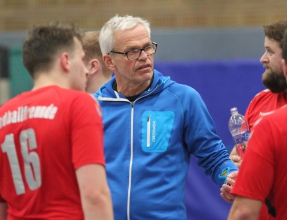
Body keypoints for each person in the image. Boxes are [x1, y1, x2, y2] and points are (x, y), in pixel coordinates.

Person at [93, 14, 238, 219]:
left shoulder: (183, 99)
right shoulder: (92, 107)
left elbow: (214, 157)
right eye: (132, 51)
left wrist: (230, 177)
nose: (144, 56)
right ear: (109, 61)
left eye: (148, 47)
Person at [0, 23, 113, 219]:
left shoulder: (4, 114)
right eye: (81, 59)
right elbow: (95, 195)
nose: (86, 71)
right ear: (65, 61)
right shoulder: (78, 104)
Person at [222, 18, 287, 219]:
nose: (262, 58)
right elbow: (239, 154)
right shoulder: (260, 100)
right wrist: (236, 179)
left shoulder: (274, 123)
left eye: (270, 51)